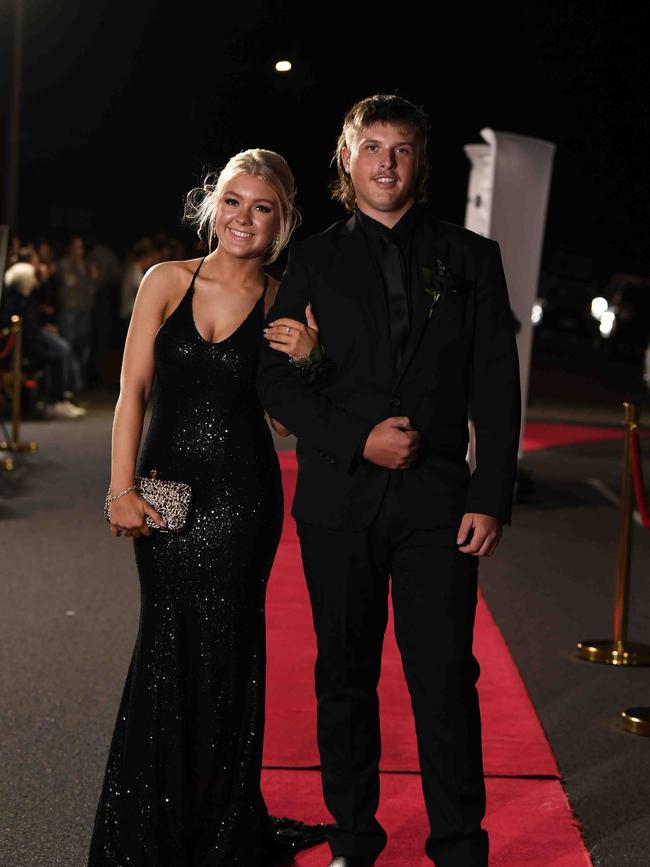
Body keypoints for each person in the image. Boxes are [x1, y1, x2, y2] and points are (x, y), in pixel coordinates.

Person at [258, 94, 521, 867]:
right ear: (347, 157)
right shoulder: (310, 257)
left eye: (401, 149)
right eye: (372, 147)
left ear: (419, 162)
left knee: (445, 678)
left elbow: (497, 386)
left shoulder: (472, 259)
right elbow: (277, 382)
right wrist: (356, 438)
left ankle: (460, 847)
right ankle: (353, 840)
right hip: (338, 499)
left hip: (441, 504)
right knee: (343, 678)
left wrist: (490, 494)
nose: (386, 163)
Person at [88, 149, 324, 865]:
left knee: (227, 656)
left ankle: (219, 826)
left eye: (262, 207)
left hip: (243, 501)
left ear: (282, 221)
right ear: (211, 204)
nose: (243, 218)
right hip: (163, 494)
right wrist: (119, 487)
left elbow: (286, 424)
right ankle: (151, 823)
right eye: (233, 201)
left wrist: (309, 360)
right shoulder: (165, 280)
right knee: (164, 647)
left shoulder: (286, 298)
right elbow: (132, 393)